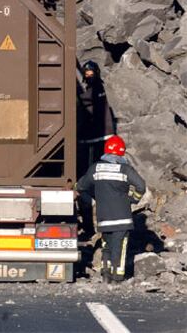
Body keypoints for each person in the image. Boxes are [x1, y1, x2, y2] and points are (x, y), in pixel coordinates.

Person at [76, 135, 146, 283]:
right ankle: (117, 276)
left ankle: (106, 274)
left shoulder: (95, 168)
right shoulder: (125, 169)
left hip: (103, 217)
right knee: (119, 246)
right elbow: (141, 186)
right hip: (122, 217)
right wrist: (133, 199)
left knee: (106, 245)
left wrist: (95, 196)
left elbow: (81, 186)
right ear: (121, 152)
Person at [76, 60, 116, 239]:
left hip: (95, 139)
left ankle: (93, 226)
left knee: (88, 181)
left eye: (90, 73)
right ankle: (92, 226)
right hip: (93, 139)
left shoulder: (98, 90)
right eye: (87, 73)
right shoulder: (98, 89)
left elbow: (89, 102)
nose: (88, 76)